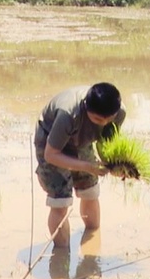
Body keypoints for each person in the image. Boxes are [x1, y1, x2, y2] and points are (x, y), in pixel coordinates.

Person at [34, 83, 126, 247]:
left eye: (108, 119)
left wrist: (113, 166)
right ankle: (62, 253)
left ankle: (92, 241)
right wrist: (87, 166)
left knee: (90, 191)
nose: (103, 123)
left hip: (82, 139)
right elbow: (50, 154)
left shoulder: (118, 112)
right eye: (98, 119)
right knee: (60, 200)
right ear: (86, 107)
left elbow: (105, 143)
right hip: (51, 140)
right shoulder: (69, 113)